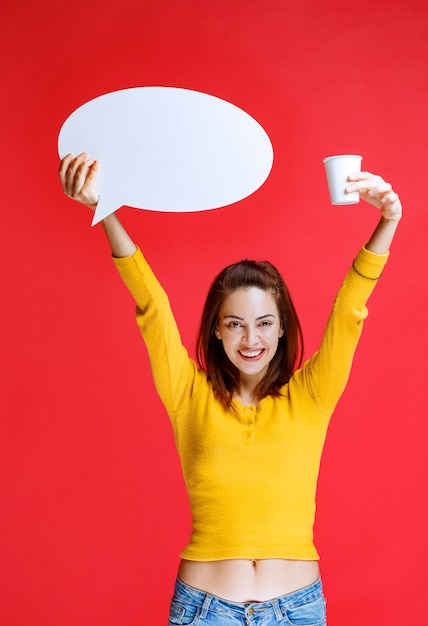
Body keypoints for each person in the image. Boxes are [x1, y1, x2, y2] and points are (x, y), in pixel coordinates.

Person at [59, 152, 402, 625]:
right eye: (235, 324)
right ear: (216, 331)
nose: (250, 339)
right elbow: (153, 308)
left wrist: (387, 221)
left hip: (298, 609)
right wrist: (106, 210)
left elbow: (349, 313)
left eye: (264, 323)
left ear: (282, 329)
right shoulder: (188, 395)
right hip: (204, 610)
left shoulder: (312, 396)